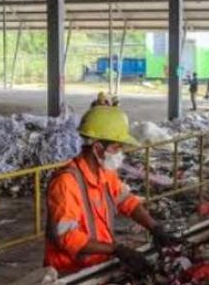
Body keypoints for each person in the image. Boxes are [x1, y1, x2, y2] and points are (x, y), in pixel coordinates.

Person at [45, 106, 180, 274]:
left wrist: (154, 227)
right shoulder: (66, 183)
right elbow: (67, 236)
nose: (120, 153)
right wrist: (116, 249)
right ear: (98, 148)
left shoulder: (105, 172)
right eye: (117, 147)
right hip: (70, 271)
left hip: (98, 263)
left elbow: (126, 201)